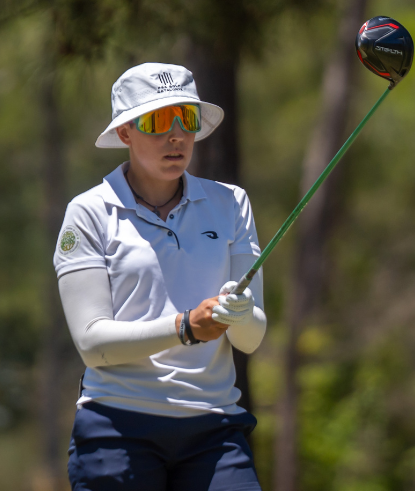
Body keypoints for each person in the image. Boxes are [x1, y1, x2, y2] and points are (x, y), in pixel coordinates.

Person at [54, 63, 266, 490]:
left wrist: (241, 314)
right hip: (117, 428)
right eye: (157, 121)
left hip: (214, 429)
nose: (176, 136)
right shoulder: (89, 212)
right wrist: (185, 327)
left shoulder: (231, 203)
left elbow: (251, 340)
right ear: (125, 133)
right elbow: (93, 345)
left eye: (186, 118)